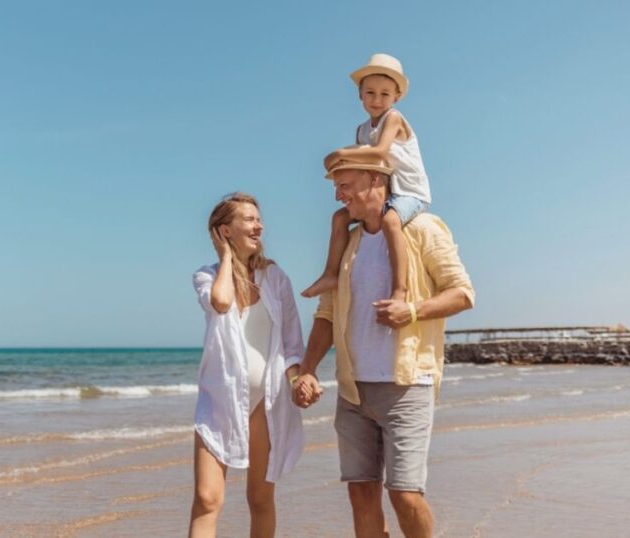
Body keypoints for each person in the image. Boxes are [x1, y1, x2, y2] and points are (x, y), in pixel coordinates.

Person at [293, 155, 474, 538]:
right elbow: (326, 314)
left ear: (376, 179)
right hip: (353, 390)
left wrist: (411, 310)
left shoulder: (422, 228)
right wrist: (307, 368)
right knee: (361, 495)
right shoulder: (349, 241)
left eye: (345, 185)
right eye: (335, 187)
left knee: (405, 495)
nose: (338, 196)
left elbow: (462, 294)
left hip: (407, 386)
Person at [189, 192, 306, 538]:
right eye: (249, 219)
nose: (259, 225)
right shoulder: (206, 276)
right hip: (219, 400)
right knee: (206, 499)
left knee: (260, 498)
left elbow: (292, 341)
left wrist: (300, 379)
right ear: (225, 230)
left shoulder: (276, 278)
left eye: (259, 219)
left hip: (266, 401)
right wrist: (227, 256)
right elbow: (221, 302)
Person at [303, 53, 433, 308]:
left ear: (396, 97)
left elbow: (381, 152)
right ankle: (330, 274)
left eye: (385, 94)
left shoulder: (393, 118)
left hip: (411, 192)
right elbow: (366, 168)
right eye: (370, 92)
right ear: (360, 94)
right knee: (339, 218)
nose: (377, 100)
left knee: (390, 220)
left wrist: (339, 153)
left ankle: (399, 289)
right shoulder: (362, 130)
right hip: (387, 191)